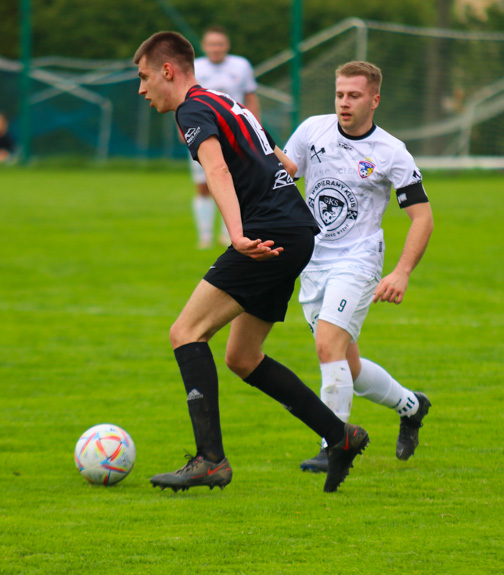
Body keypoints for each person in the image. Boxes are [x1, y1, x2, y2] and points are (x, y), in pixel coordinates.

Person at [133, 31, 369, 493]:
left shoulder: (192, 110)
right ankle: (341, 437)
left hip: (267, 233)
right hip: (294, 231)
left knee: (185, 333)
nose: (141, 90)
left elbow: (217, 170)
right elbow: (275, 157)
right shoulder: (224, 101)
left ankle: (210, 460)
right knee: (242, 357)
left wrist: (238, 235)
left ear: (167, 70)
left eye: (143, 77)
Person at [282, 61, 434, 472]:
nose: (344, 103)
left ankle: (334, 444)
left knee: (326, 346)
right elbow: (284, 174)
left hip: (359, 260)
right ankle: (411, 406)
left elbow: (423, 217)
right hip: (312, 262)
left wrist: (400, 272)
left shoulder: (391, 152)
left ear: (375, 100)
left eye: (353, 96)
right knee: (346, 365)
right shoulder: (313, 130)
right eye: (339, 94)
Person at [189, 26, 260, 249]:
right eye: (211, 44)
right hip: (202, 133)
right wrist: (183, 128)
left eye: (220, 44)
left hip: (234, 134)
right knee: (203, 185)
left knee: (234, 182)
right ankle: (205, 236)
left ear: (226, 46)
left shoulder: (241, 65)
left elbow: (250, 96)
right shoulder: (195, 67)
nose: (216, 48)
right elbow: (184, 100)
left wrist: (254, 127)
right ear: (204, 46)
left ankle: (229, 234)